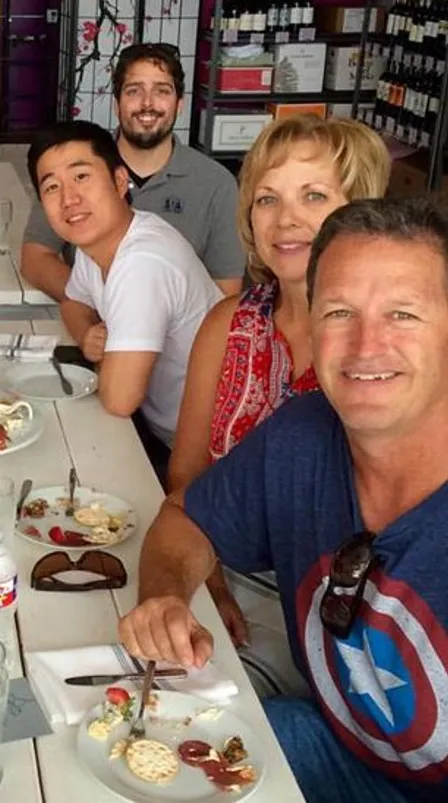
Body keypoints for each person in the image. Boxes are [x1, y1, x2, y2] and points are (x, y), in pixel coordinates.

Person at [118, 197, 448, 803]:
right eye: (340, 312)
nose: (366, 345)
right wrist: (166, 596)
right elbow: (184, 519)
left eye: (403, 314)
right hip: (334, 744)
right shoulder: (304, 433)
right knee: (121, 756)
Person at [167, 115, 391, 697]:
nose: (286, 218)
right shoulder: (229, 324)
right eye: (267, 198)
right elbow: (186, 473)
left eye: (313, 196)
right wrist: (206, 579)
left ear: (360, 208)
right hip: (219, 562)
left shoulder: (390, 347)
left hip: (352, 605)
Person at [29, 119, 222, 476]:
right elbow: (73, 302)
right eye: (52, 187)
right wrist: (89, 335)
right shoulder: (99, 243)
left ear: (119, 182)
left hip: (203, 456)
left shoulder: (142, 261)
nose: (69, 199)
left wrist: (110, 355)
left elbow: (119, 399)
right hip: (156, 429)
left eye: (81, 177)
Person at [21, 43, 245, 302]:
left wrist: (144, 320)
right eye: (134, 91)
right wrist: (96, 305)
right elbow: (35, 257)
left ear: (179, 104)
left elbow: (226, 294)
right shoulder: (77, 166)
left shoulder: (216, 184)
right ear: (117, 104)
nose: (147, 104)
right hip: (93, 330)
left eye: (162, 91)